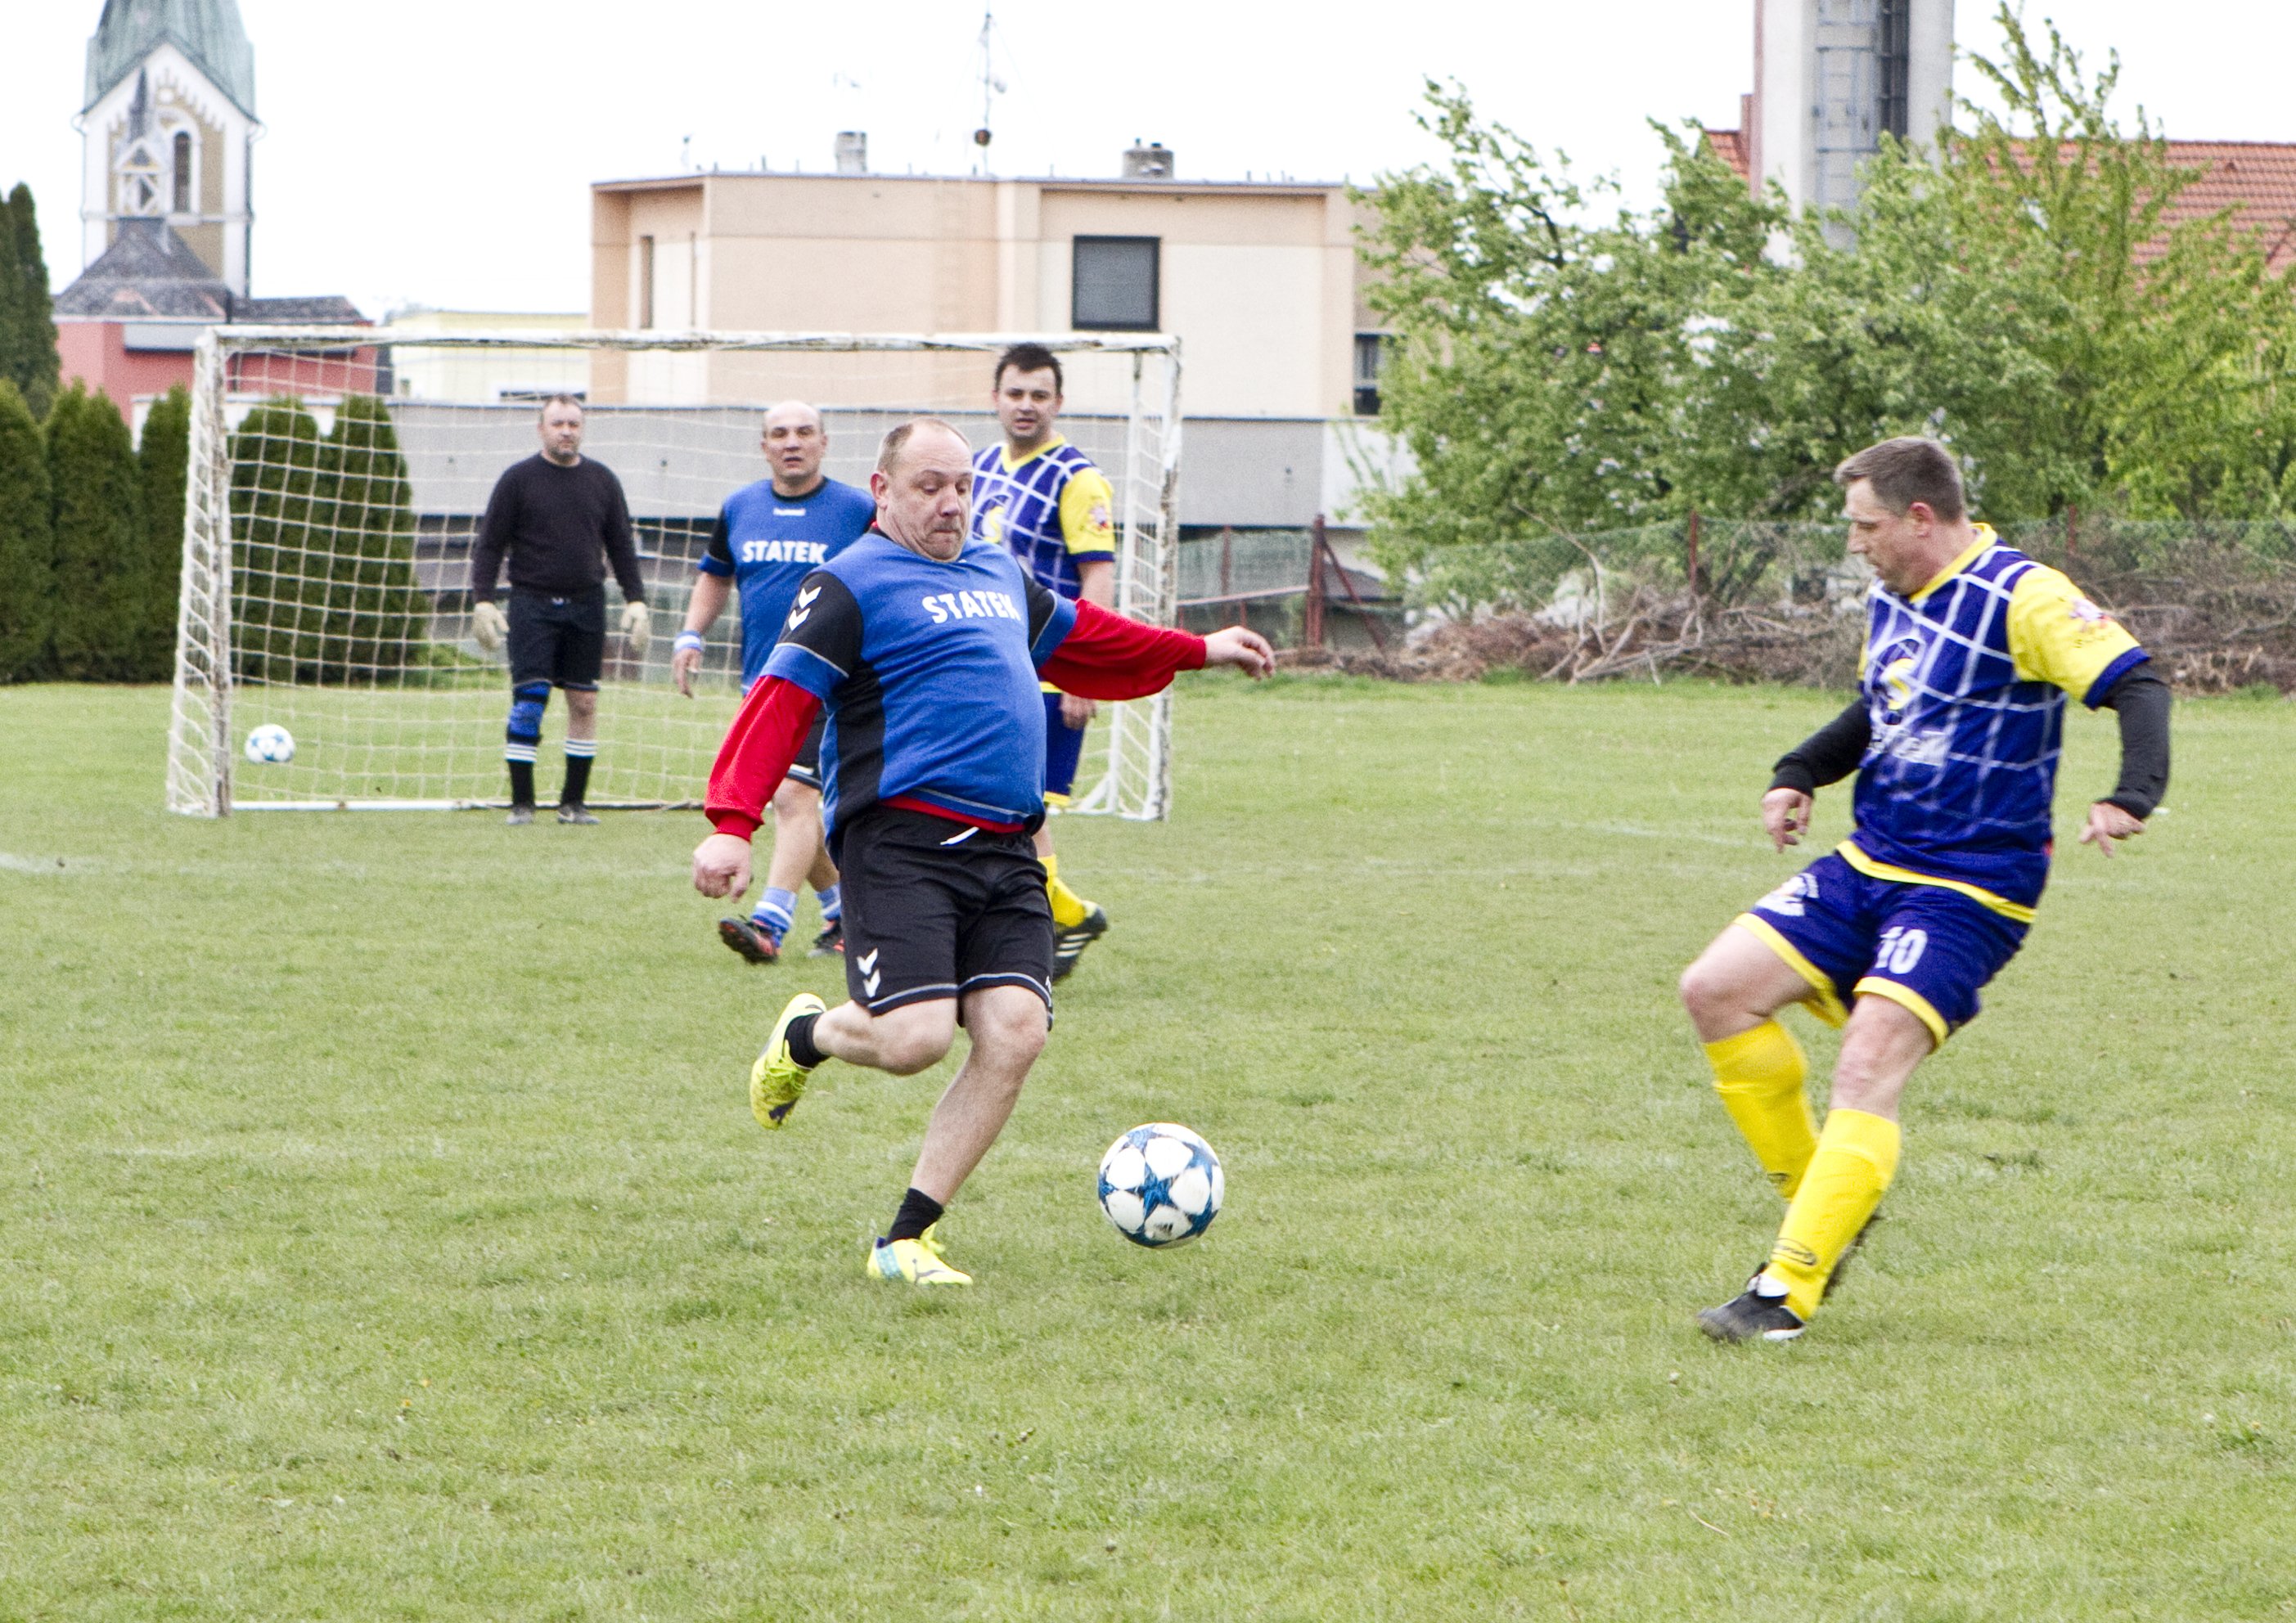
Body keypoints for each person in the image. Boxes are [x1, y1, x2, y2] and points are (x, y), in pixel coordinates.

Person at [691, 418, 1274, 1287]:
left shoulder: (997, 570)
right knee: (916, 1038)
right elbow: (780, 699)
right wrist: (731, 820)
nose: (951, 503)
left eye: (963, 486)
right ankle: (807, 1035)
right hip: (901, 845)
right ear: (882, 491)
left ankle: (905, 1239)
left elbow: (1086, 639)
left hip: (1006, 848)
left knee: (1015, 1032)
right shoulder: (848, 583)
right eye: (929, 486)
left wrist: (1198, 651)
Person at [1677, 437, 2171, 1343]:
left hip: (1972, 883)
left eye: (1865, 526)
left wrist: (2129, 795)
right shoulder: (1894, 595)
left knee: (1868, 1059)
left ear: (1918, 516)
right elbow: (1884, 706)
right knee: (1714, 991)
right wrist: (1801, 770)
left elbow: (2135, 683)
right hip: (1871, 859)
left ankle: (1784, 1290)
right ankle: (1825, 1208)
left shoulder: (2023, 595)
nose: (1854, 543)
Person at [673, 401, 876, 962]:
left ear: (824, 442)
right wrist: (690, 635)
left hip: (830, 687)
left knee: (792, 795)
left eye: (804, 432)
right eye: (779, 433)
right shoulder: (739, 507)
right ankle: (845, 916)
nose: (793, 442)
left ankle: (770, 924)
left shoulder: (857, 509)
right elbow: (715, 577)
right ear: (763, 446)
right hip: (762, 685)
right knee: (795, 805)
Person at [969, 343, 1120, 980]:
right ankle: (1061, 915)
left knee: (1020, 808)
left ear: (1058, 403)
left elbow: (1098, 577)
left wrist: (1086, 670)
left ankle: (1050, 919)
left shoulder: (1076, 477)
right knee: (997, 804)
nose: (1026, 405)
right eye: (1015, 393)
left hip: (1050, 669)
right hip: (987, 665)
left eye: (1039, 395)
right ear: (995, 398)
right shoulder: (977, 466)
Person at [469, 394, 651, 825]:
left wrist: (636, 599)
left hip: (587, 605)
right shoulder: (517, 480)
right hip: (532, 604)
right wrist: (482, 600)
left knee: (584, 703)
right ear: (541, 429)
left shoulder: (602, 480)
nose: (566, 430)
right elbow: (490, 543)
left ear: (582, 428)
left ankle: (572, 804)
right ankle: (522, 804)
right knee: (530, 702)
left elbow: (621, 544)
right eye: (557, 423)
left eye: (573, 423)